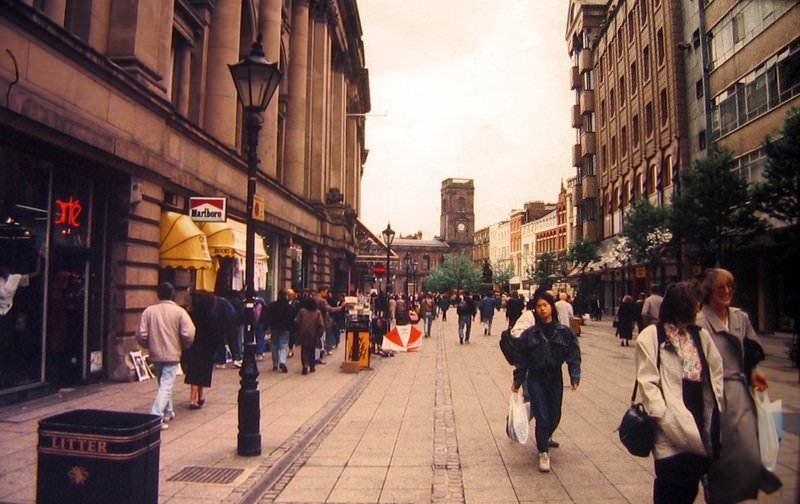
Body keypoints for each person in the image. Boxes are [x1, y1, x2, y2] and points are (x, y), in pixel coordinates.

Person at [697, 268, 782, 502]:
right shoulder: (700, 322)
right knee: (720, 454)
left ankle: (738, 491)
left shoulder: (740, 318)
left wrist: (753, 372)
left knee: (749, 455)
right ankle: (716, 493)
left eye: (730, 287)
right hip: (713, 394)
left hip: (740, 393)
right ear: (709, 291)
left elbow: (751, 353)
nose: (726, 291)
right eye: (720, 287)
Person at [635, 281, 723, 504]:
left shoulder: (700, 336)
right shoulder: (652, 336)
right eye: (695, 303)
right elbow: (647, 382)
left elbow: (716, 374)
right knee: (669, 488)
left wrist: (717, 412)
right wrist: (663, 416)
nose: (699, 308)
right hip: (669, 426)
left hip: (698, 421)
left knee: (690, 488)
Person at [512, 291, 581, 472]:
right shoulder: (530, 334)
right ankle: (543, 451)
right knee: (542, 415)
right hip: (536, 377)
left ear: (551, 307)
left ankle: (545, 435)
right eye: (539, 306)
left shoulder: (563, 332)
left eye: (545, 305)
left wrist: (574, 376)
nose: (542, 309)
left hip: (554, 377)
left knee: (554, 415)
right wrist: (517, 381)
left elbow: (573, 355)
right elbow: (522, 360)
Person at [136, 282, 196, 428]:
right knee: (166, 385)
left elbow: (141, 333)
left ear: (158, 295)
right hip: (172, 353)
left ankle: (168, 411)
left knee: (163, 383)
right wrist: (184, 345)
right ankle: (155, 416)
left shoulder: (149, 311)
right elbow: (189, 332)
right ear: (172, 295)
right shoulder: (179, 312)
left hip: (155, 353)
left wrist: (148, 344)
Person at [183, 290, 223, 409]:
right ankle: (194, 399)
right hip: (207, 348)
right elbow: (215, 334)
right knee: (202, 373)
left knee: (195, 371)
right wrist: (216, 347)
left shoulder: (192, 314)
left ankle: (198, 397)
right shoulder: (211, 316)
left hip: (194, 346)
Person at [262, 289, 297, 373]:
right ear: (286, 296)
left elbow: (267, 317)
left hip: (274, 328)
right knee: (283, 345)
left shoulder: (272, 306)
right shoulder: (290, 307)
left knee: (274, 345)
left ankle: (275, 364)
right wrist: (293, 329)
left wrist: (265, 327)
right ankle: (282, 361)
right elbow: (293, 319)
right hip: (285, 328)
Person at [293, 297, 325, 375]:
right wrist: (319, 334)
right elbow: (321, 324)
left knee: (304, 350)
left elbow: (296, 321)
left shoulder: (302, 311)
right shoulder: (317, 312)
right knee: (312, 351)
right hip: (313, 334)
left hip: (303, 333)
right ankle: (312, 366)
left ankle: (305, 364)